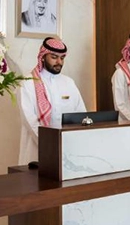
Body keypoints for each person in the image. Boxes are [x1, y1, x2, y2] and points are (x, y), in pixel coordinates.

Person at [18, 37, 86, 165]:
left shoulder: (69, 83)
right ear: (43, 57)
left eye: (62, 58)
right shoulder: (28, 83)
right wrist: (51, 145)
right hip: (37, 150)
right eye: (54, 57)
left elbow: (81, 115)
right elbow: (29, 121)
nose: (59, 62)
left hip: (68, 150)